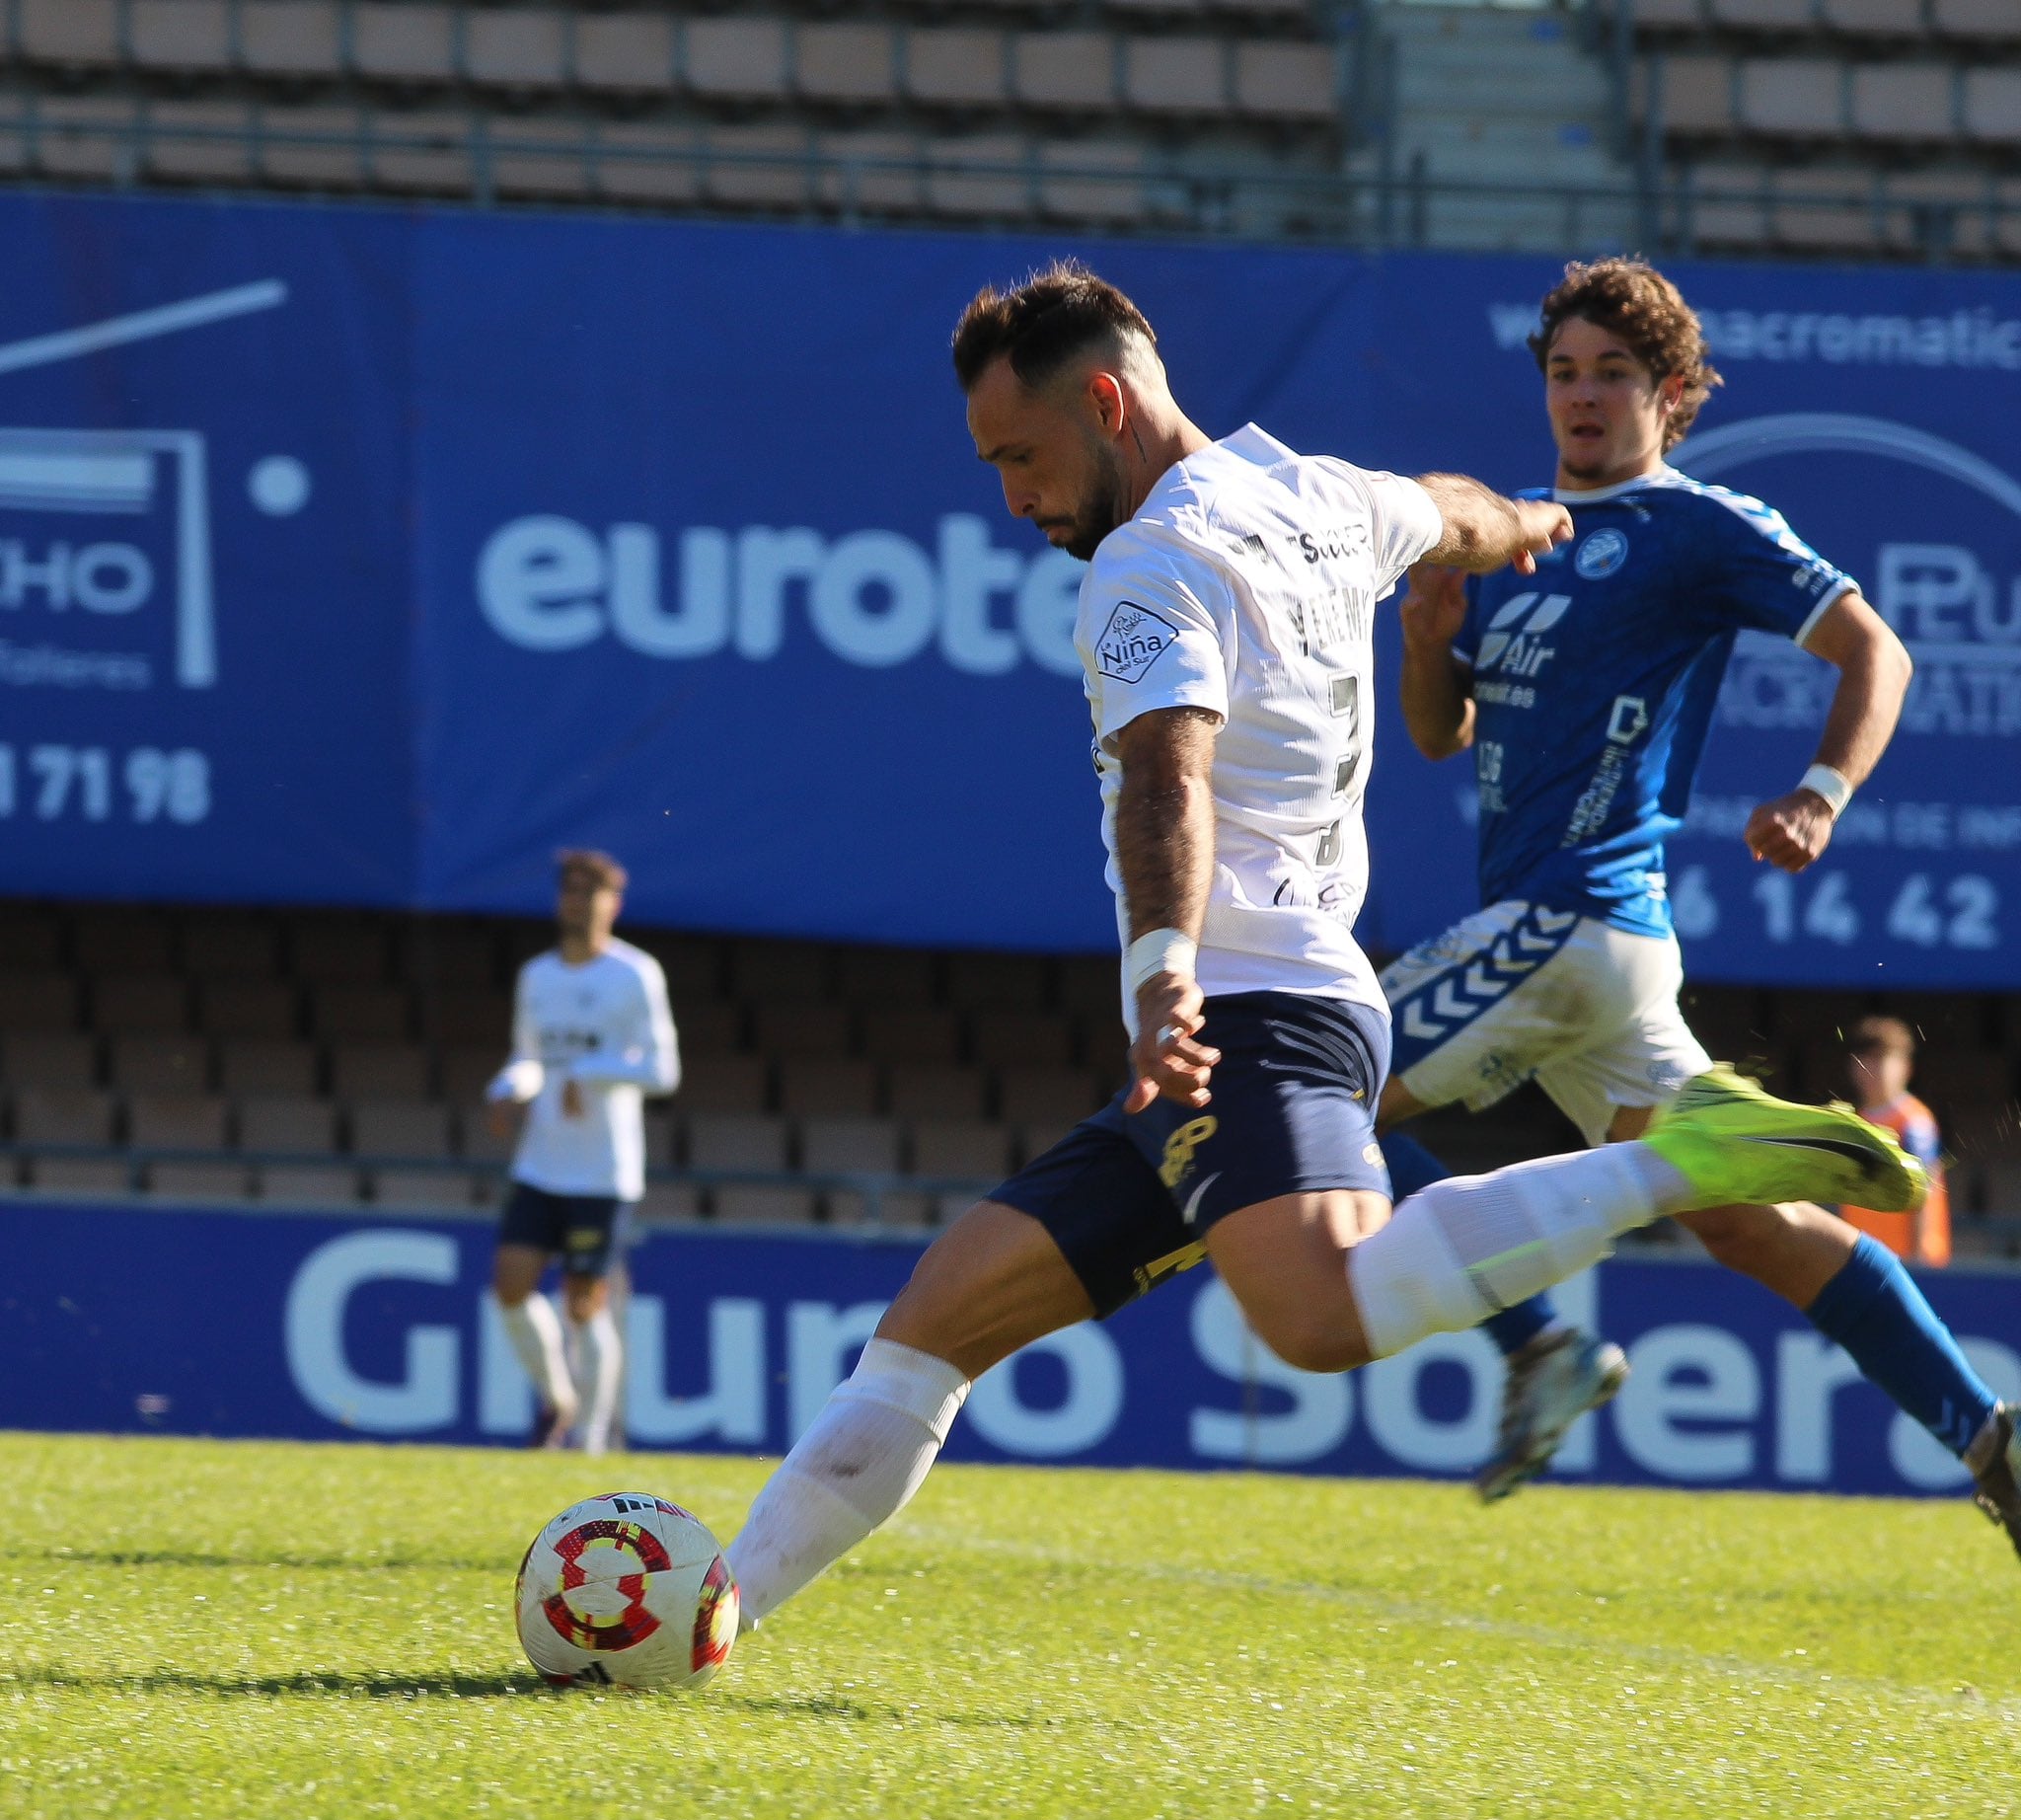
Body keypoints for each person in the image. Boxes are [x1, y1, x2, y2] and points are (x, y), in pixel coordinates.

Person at [721, 261, 1923, 1634]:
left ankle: (1675, 1162)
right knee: (934, 1322)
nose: (1013, 497)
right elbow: (1457, 514)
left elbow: (1167, 774)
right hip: (1269, 1014)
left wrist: (1160, 964)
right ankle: (714, 1613)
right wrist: (1529, 521)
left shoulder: (1147, 563)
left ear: (1106, 402)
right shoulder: (1312, 492)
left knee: (1319, 1314)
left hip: (1250, 1009)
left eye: (1022, 456)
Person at [1378, 256, 2016, 1547]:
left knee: (1314, 1083)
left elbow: (1872, 646)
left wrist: (1825, 790)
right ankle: (1988, 1432)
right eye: (1565, 371)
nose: (1585, 396)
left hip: (1573, 917)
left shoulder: (1696, 527)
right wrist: (1426, 638)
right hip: (1585, 957)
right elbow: (1441, 736)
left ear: (1672, 393)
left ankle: (1539, 1340)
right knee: (1742, 1221)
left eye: (1615, 372)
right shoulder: (1519, 535)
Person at [487, 849, 679, 1455]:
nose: (577, 902)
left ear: (612, 904)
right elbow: (530, 1057)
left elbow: (661, 1070)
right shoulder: (538, 976)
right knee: (511, 1286)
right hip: (542, 1161)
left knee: (584, 1302)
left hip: (603, 1171)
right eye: (568, 890)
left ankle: (593, 1440)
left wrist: (587, 1074)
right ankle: (558, 1398)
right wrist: (508, 1088)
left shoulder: (634, 974)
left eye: (589, 891)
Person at [1842, 1016, 1951, 1268]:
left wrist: (1918, 1261)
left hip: (1908, 1265)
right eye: (1867, 1060)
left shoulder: (1914, 1122)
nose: (1875, 1070)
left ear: (1906, 1067)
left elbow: (1923, 1194)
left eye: (1884, 1059)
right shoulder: (1854, 1122)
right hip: (1864, 1262)